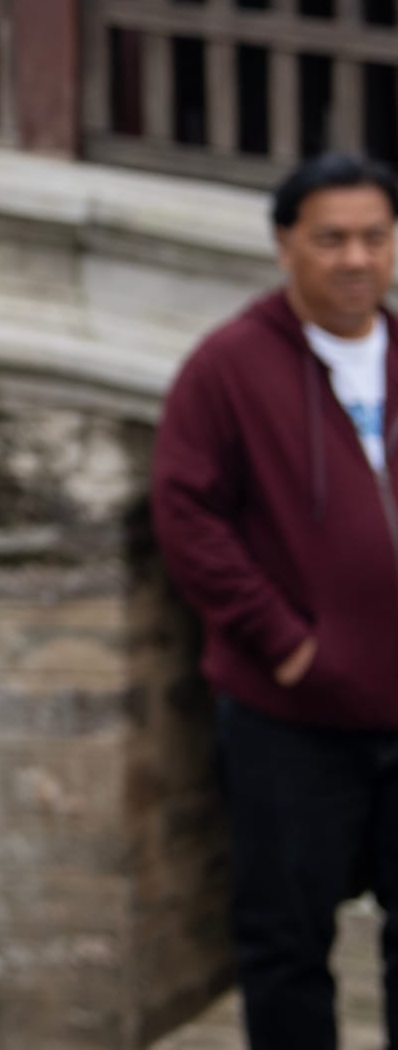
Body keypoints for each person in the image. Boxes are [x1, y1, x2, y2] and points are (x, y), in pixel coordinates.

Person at [153, 150, 398, 1050]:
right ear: (285, 245)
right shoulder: (228, 367)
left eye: (374, 236)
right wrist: (287, 643)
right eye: (329, 238)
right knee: (287, 941)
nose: (355, 259)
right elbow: (187, 517)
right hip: (288, 714)